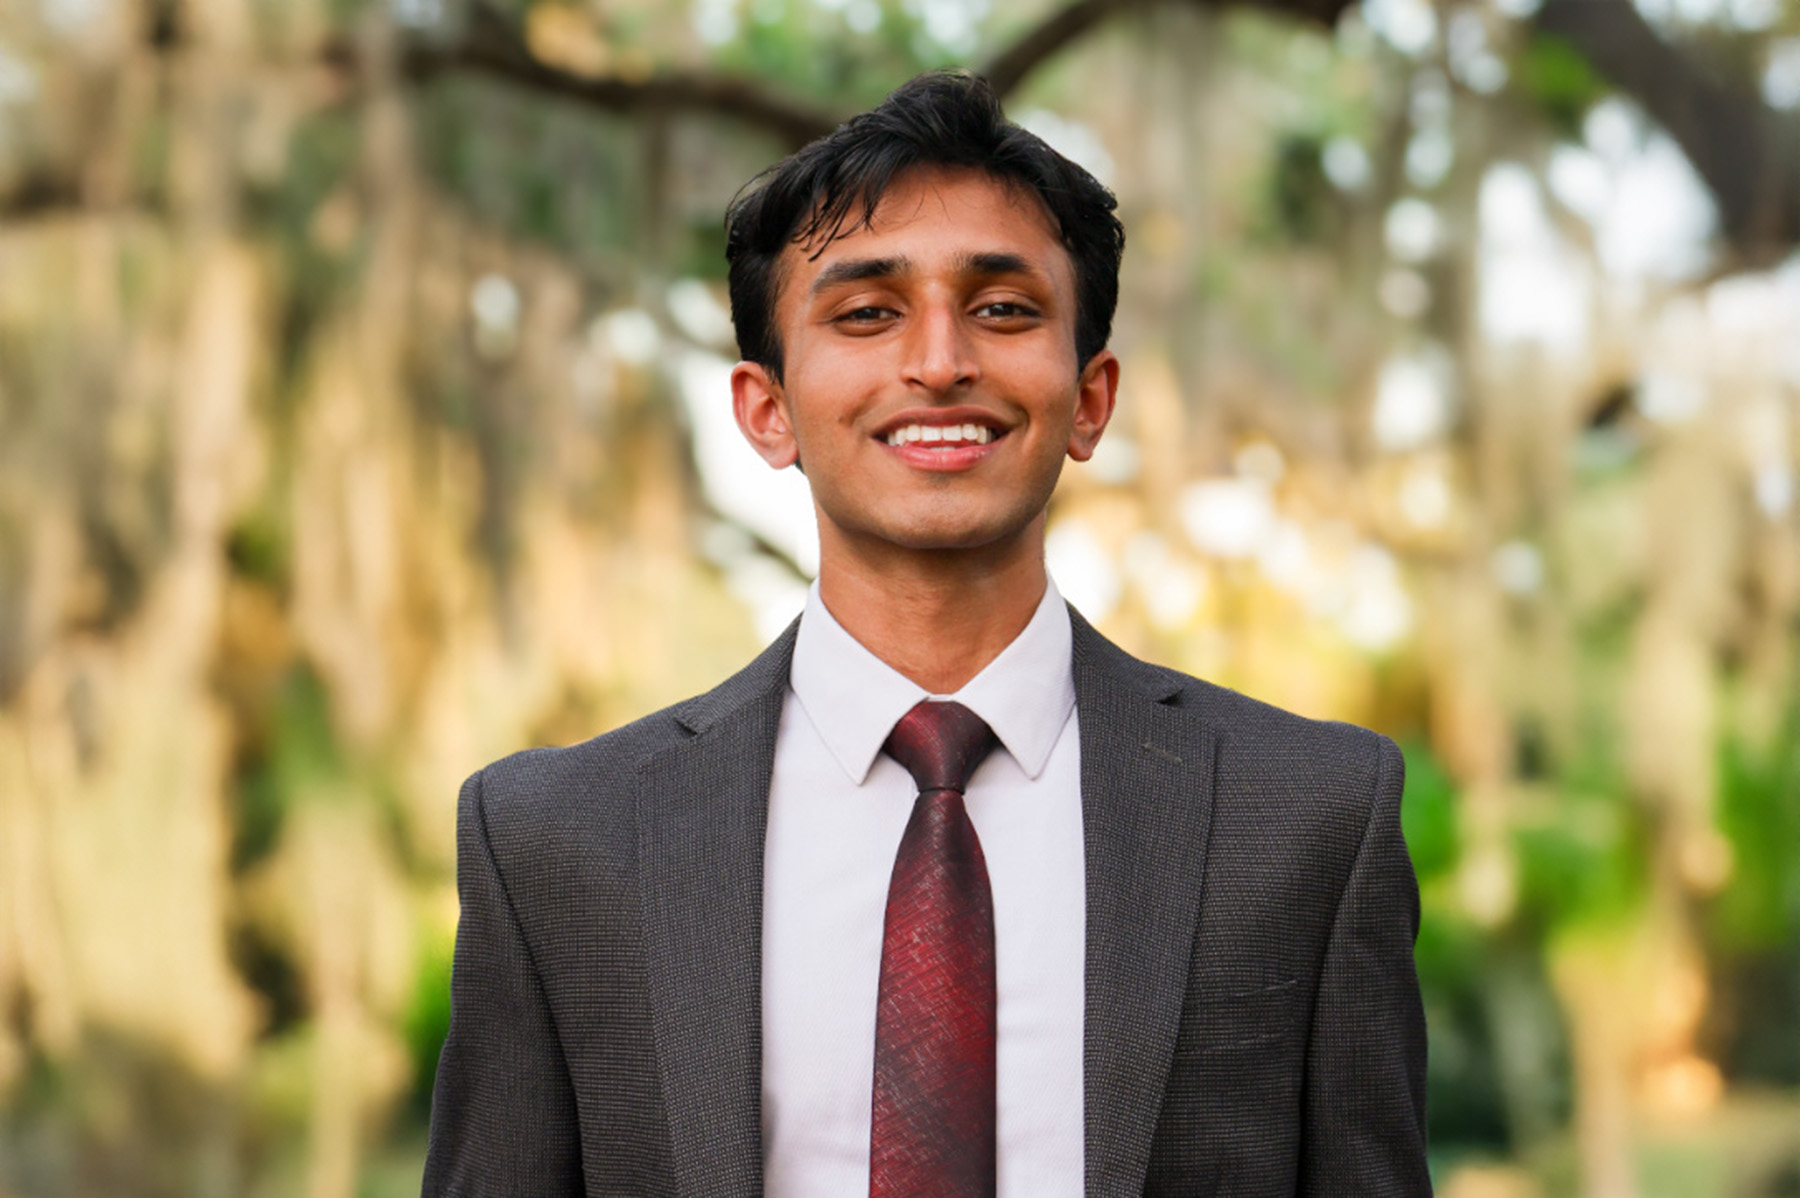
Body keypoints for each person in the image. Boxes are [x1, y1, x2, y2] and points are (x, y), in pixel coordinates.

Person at [422, 70, 1430, 1197]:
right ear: (767, 408)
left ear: (1089, 397)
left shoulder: (1311, 817)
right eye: (866, 313)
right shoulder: (557, 842)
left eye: (1002, 309)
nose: (941, 360)